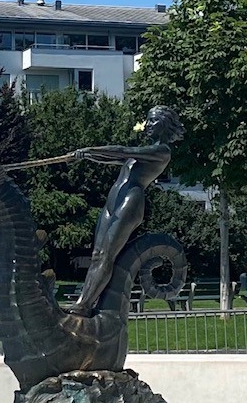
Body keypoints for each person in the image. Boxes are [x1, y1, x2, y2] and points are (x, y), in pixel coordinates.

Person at [67, 106, 184, 316]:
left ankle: (84, 305)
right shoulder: (143, 153)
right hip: (115, 200)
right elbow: (112, 158)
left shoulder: (161, 151)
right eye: (147, 121)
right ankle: (84, 302)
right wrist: (85, 155)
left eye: (153, 121)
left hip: (130, 201)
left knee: (106, 254)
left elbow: (122, 150)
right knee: (97, 254)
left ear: (164, 125)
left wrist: (92, 149)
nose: (148, 125)